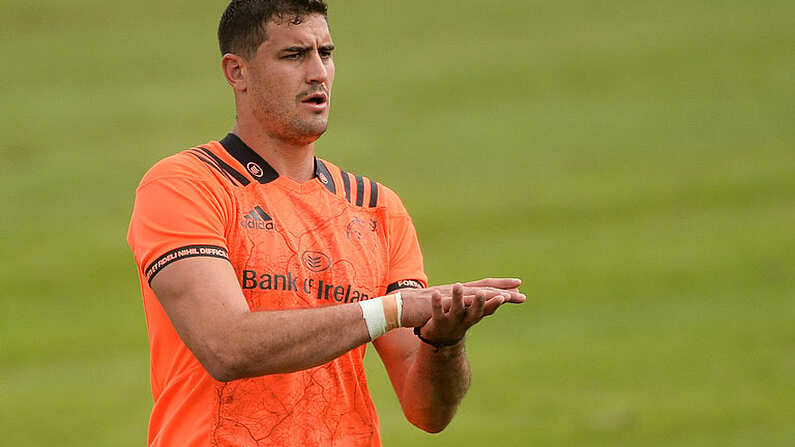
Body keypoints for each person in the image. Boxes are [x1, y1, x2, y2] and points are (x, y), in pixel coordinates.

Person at [127, 1, 525, 446]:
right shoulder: (186, 186)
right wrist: (390, 311)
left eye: (326, 53)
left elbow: (426, 411)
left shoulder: (377, 209)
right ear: (236, 71)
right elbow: (226, 346)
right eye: (294, 55)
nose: (318, 72)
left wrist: (444, 342)